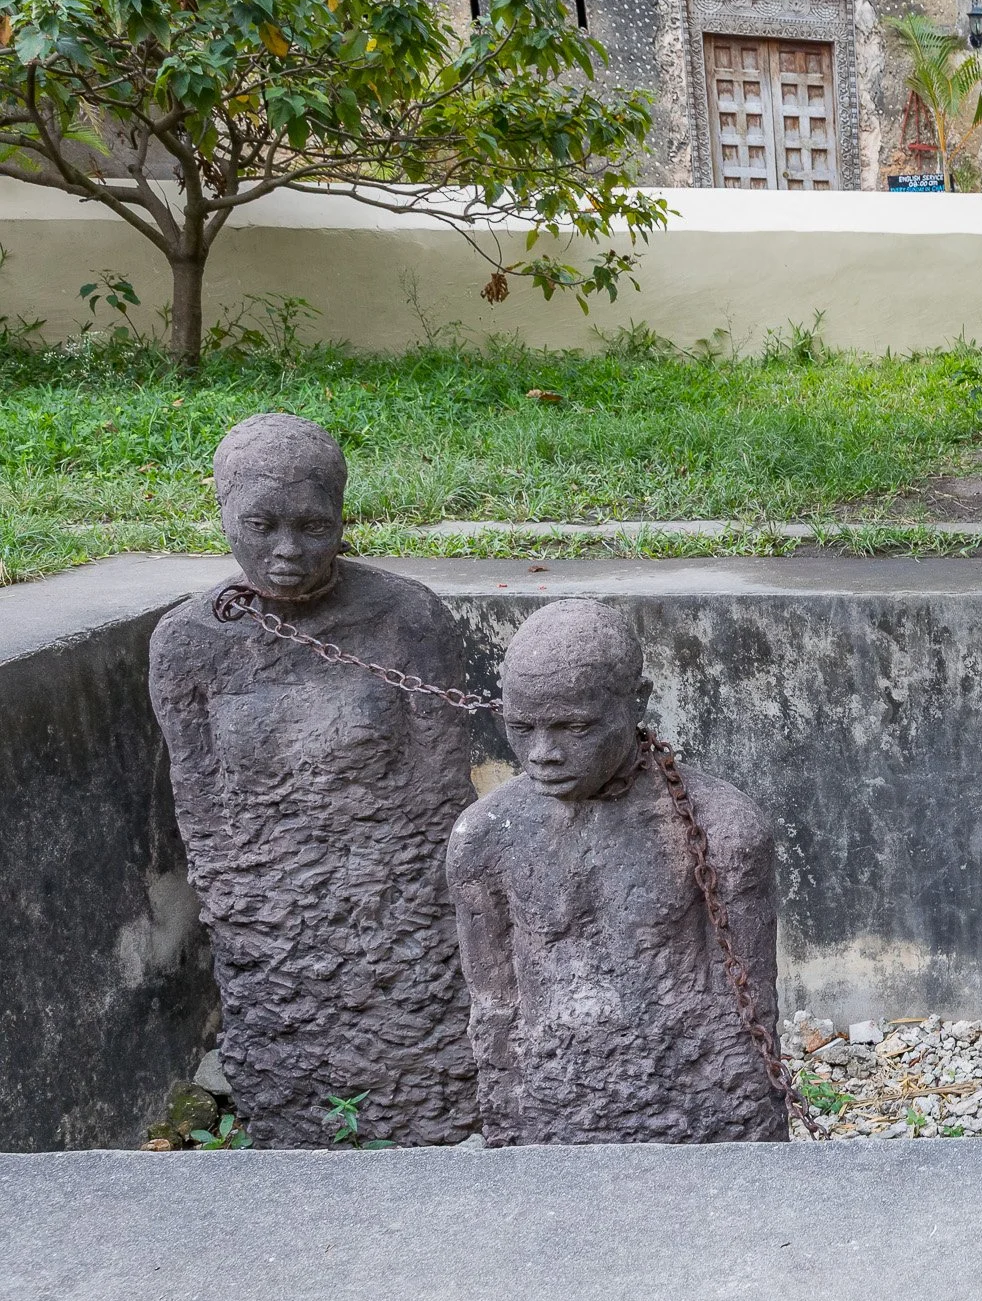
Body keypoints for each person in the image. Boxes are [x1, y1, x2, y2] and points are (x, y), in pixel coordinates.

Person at [148, 413, 479, 1147]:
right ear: (223, 513)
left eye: (312, 525)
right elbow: (201, 808)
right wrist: (257, 916)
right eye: (260, 525)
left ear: (341, 517)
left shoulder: (408, 619)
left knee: (421, 1081)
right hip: (270, 921)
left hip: (394, 909)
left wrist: (401, 912)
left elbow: (440, 794)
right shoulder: (187, 644)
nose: (288, 551)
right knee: (290, 1084)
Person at [448, 600, 787, 1144]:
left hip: (693, 1103)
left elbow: (750, 1011)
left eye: (573, 728)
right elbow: (494, 1008)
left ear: (636, 704)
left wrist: (734, 1117)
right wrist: (511, 1117)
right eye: (521, 727)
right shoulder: (483, 837)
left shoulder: (721, 828)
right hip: (550, 1105)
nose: (543, 753)